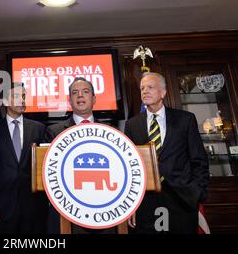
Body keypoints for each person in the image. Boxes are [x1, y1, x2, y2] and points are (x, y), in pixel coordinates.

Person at [124, 72, 209, 234]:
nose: (145, 91)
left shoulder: (185, 120)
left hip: (182, 200)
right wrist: (131, 204)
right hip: (146, 204)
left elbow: (199, 160)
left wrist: (198, 193)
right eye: (142, 88)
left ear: (163, 92)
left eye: (150, 87)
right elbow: (130, 167)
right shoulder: (132, 125)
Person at [44, 77, 116, 234]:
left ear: (94, 99)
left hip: (105, 212)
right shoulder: (54, 132)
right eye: (75, 93)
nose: (80, 96)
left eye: (85, 91)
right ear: (70, 100)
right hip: (67, 214)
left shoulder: (110, 131)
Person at [0, 83, 48, 233]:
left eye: (23, 96)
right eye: (16, 96)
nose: (22, 100)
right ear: (5, 102)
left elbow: (46, 166)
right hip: (2, 206)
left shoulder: (39, 128)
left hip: (34, 207)